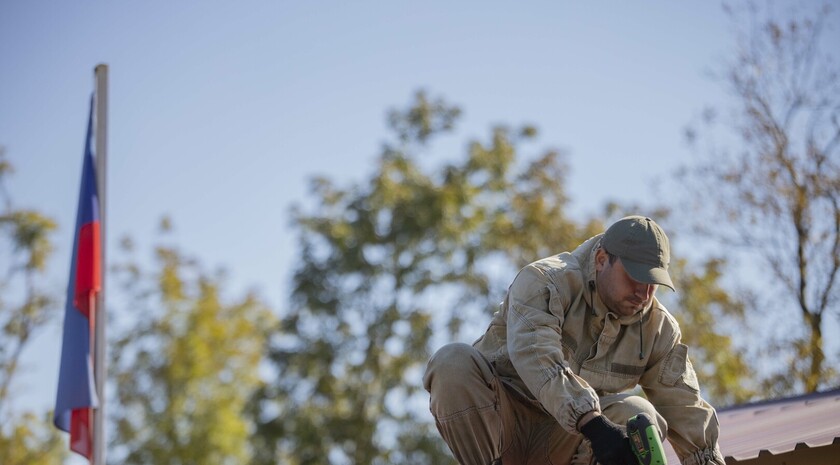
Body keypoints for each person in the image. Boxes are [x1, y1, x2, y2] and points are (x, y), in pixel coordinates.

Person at [423, 216, 725, 465]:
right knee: (452, 362)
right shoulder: (545, 281)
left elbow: (686, 409)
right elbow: (538, 357)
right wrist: (593, 423)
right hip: (503, 424)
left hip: (565, 444)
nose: (643, 294)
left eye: (652, 284)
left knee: (638, 415)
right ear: (602, 259)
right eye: (635, 277)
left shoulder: (659, 330)